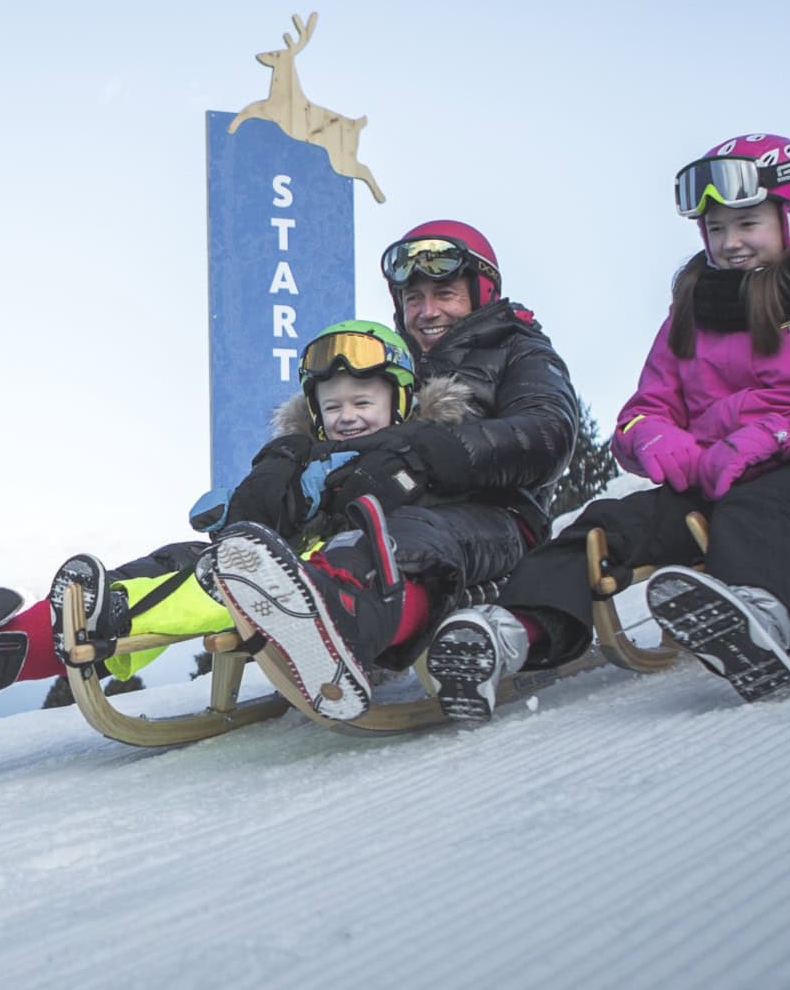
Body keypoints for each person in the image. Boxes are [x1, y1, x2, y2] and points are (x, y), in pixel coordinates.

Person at [425, 134, 790, 715]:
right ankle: (512, 635)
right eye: (715, 230)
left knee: (758, 509)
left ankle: (756, 618)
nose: (730, 244)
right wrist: (661, 442)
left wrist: (780, 435)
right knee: (601, 525)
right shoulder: (693, 310)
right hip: (711, 474)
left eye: (747, 224)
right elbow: (643, 410)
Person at [0, 320, 425, 746]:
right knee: (168, 563)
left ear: (398, 402)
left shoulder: (413, 458)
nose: (347, 415)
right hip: (270, 558)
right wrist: (274, 479)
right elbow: (251, 514)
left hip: (330, 580)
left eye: (362, 402)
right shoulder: (300, 454)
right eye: (333, 404)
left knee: (206, 582)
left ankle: (63, 631)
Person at [200, 220, 583, 720]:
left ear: (481, 292)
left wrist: (430, 454)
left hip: (495, 519)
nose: (426, 312)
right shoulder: (391, 362)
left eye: (444, 293)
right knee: (262, 541)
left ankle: (339, 619)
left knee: (403, 537)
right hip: (377, 514)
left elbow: (547, 433)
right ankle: (110, 611)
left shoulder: (519, 350)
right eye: (413, 299)